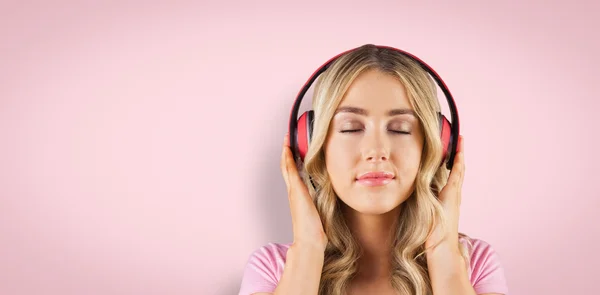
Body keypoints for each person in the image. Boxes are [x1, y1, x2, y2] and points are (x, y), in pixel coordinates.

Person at [238, 44, 508, 295]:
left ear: (435, 147)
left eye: (400, 129)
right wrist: (309, 248)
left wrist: (443, 252)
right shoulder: (273, 269)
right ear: (312, 144)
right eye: (351, 128)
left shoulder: (474, 265)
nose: (376, 151)